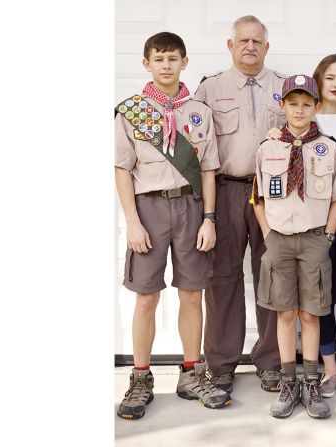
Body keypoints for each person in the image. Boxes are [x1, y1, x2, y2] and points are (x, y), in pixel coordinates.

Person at [114, 31, 230, 419]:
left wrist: (209, 218)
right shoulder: (131, 111)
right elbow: (121, 170)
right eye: (159, 59)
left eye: (173, 58)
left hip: (191, 208)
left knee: (192, 293)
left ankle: (192, 373)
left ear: (185, 62)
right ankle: (141, 377)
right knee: (146, 296)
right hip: (149, 209)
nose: (166, 65)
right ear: (146, 64)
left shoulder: (199, 110)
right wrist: (132, 221)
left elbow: (210, 168)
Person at [192, 15, 287, 394]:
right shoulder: (209, 89)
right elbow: (195, 150)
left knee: (273, 276)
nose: (250, 46)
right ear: (230, 46)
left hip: (274, 193)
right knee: (222, 279)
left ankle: (270, 361)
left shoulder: (285, 87)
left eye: (257, 41)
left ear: (267, 47)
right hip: (226, 190)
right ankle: (221, 363)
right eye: (243, 40)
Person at [252, 74, 336, 419]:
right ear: (282, 106)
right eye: (292, 104)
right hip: (279, 239)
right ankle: (288, 382)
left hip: (314, 239)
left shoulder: (328, 147)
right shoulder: (268, 148)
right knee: (284, 313)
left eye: (306, 104)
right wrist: (268, 235)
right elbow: (258, 198)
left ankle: (312, 382)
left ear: (316, 107)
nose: (299, 110)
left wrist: (327, 237)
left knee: (311, 313)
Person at [267, 54, 336, 399]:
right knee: (318, 300)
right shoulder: (305, 124)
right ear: (318, 83)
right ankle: (326, 369)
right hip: (312, 226)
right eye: (330, 77)